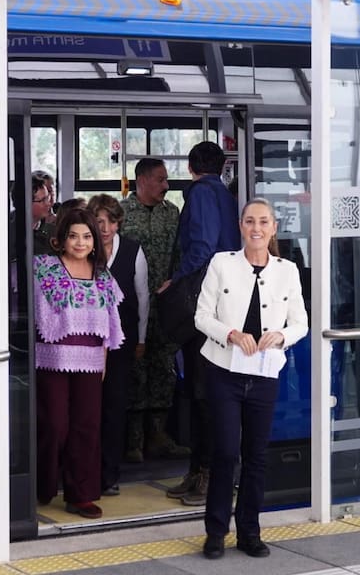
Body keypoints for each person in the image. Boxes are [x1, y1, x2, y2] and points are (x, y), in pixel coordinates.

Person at [195, 197, 308, 560]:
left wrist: (282, 336)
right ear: (240, 227)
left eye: (263, 222)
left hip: (263, 374)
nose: (256, 228)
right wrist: (230, 333)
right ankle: (215, 533)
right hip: (223, 371)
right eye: (249, 222)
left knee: (256, 455)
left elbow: (301, 323)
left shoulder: (287, 270)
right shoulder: (221, 264)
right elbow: (201, 316)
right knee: (225, 451)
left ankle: (249, 532)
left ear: (274, 228)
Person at [34, 208, 124, 519]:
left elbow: (111, 324)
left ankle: (80, 493)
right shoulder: (45, 269)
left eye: (87, 236)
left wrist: (104, 360)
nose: (80, 242)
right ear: (61, 239)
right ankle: (40, 485)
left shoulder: (103, 276)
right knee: (54, 425)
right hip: (52, 359)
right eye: (73, 235)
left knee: (87, 426)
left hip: (91, 360)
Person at [164, 141, 240, 506]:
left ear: (191, 166)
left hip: (206, 304)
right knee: (203, 390)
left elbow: (202, 247)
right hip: (225, 305)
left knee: (202, 391)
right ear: (223, 165)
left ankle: (207, 475)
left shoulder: (200, 195)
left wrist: (175, 279)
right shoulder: (227, 195)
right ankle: (199, 471)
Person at [120, 158, 189, 462]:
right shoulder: (121, 214)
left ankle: (158, 437)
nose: (166, 185)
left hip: (165, 304)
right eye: (160, 180)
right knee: (134, 370)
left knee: (163, 369)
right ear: (143, 180)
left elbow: (180, 254)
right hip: (131, 306)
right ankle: (132, 442)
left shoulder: (171, 213)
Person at [88, 194, 149, 496]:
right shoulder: (84, 248)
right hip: (87, 343)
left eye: (111, 221)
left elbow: (143, 297)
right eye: (99, 221)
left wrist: (141, 338)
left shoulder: (133, 250)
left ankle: (109, 474)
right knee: (89, 408)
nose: (106, 228)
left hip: (121, 341)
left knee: (114, 407)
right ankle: (86, 471)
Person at [31, 170, 56, 255]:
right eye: (44, 199)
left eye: (51, 191)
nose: (48, 202)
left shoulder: (61, 214)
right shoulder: (9, 228)